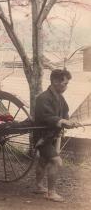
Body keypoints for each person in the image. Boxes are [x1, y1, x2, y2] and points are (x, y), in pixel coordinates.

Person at [34, 69, 78, 202]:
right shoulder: (42, 98)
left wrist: (69, 121)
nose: (66, 87)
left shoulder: (60, 97)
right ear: (55, 81)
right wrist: (62, 121)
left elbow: (65, 113)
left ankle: (38, 186)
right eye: (64, 83)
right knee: (56, 162)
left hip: (52, 135)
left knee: (43, 160)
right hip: (42, 137)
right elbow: (46, 116)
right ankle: (50, 193)